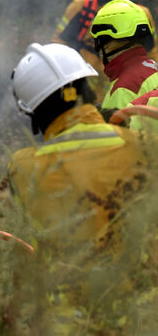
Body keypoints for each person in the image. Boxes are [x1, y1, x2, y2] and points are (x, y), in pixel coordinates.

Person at [9, 43, 154, 307]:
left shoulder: (23, 166)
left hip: (66, 313)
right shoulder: (143, 145)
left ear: (34, 112)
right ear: (87, 89)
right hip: (139, 308)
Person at [52, 0, 157, 95]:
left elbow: (152, 54)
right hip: (80, 92)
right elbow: (58, 46)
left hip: (121, 95)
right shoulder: (81, 7)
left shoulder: (142, 14)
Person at [88, 0, 158, 113]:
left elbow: (118, 125)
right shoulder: (152, 68)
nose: (99, 49)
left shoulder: (123, 89)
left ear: (107, 43)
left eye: (100, 41)